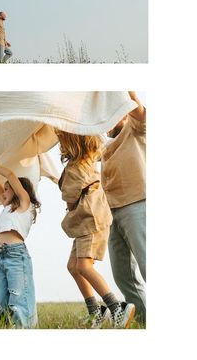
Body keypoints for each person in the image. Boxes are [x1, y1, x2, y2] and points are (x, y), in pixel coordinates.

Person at [56, 130, 135, 329]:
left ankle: (117, 307)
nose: (60, 144)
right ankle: (96, 311)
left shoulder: (85, 159)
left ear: (74, 143)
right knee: (73, 267)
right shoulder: (75, 163)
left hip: (92, 221)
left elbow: (97, 139)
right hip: (82, 222)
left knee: (83, 267)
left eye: (62, 140)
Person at [101, 91, 146, 322]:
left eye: (111, 116)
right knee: (122, 275)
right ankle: (146, 320)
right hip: (111, 214)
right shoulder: (106, 146)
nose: (107, 123)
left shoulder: (136, 127)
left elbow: (138, 110)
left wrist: (124, 88)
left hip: (137, 204)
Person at [0, 158, 40, 328]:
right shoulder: (8, 207)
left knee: (18, 301)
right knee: (1, 304)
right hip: (1, 257)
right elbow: (0, 191)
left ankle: (24, 328)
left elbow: (10, 174)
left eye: (8, 189)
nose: (4, 192)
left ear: (19, 190)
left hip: (16, 255)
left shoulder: (24, 204)